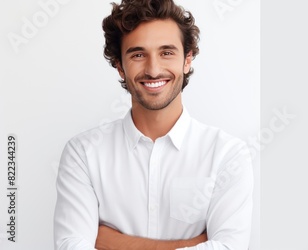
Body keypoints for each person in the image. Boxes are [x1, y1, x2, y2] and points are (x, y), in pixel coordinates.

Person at [53, 0, 254, 249]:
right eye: (138, 54)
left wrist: (114, 243)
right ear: (119, 66)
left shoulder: (227, 154)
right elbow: (71, 246)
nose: (153, 69)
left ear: (187, 59)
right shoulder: (83, 153)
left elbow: (229, 247)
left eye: (166, 52)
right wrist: (192, 244)